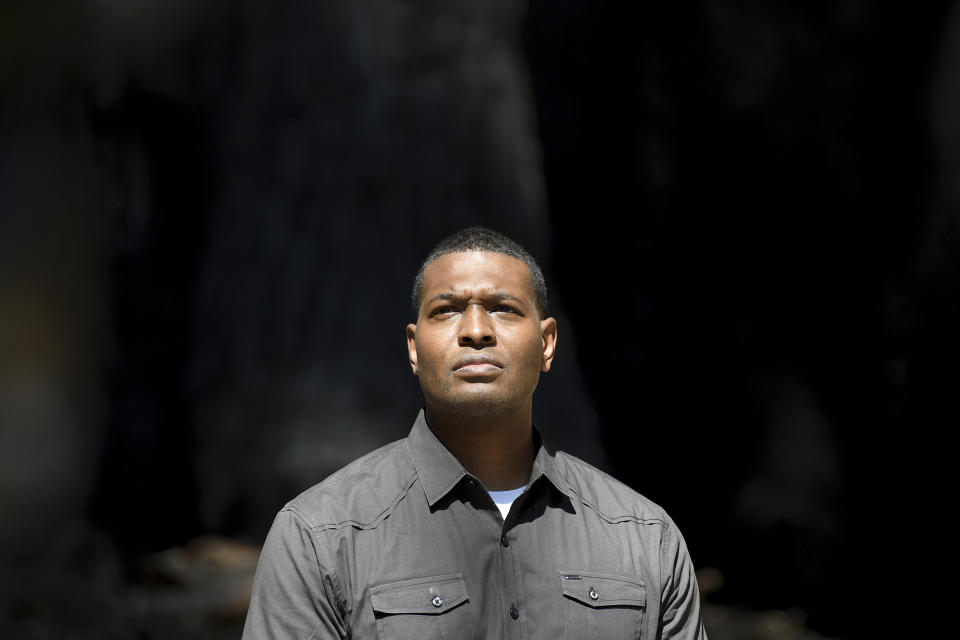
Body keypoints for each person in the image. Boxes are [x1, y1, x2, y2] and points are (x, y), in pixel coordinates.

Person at [242, 226, 707, 639]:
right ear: (413, 348)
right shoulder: (321, 536)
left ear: (546, 344)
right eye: (446, 310)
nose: (476, 330)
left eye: (504, 309)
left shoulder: (644, 537)